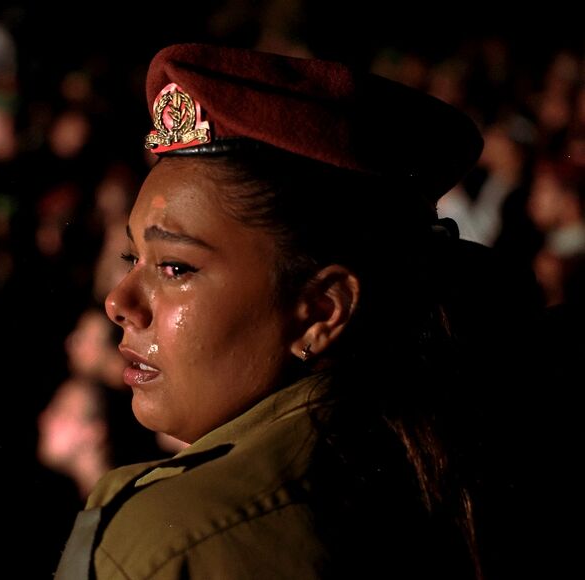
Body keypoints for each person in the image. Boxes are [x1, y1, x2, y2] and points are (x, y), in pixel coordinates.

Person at [54, 44, 569, 580]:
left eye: (176, 268)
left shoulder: (181, 540)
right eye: (131, 258)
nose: (119, 303)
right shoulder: (476, 448)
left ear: (322, 309)